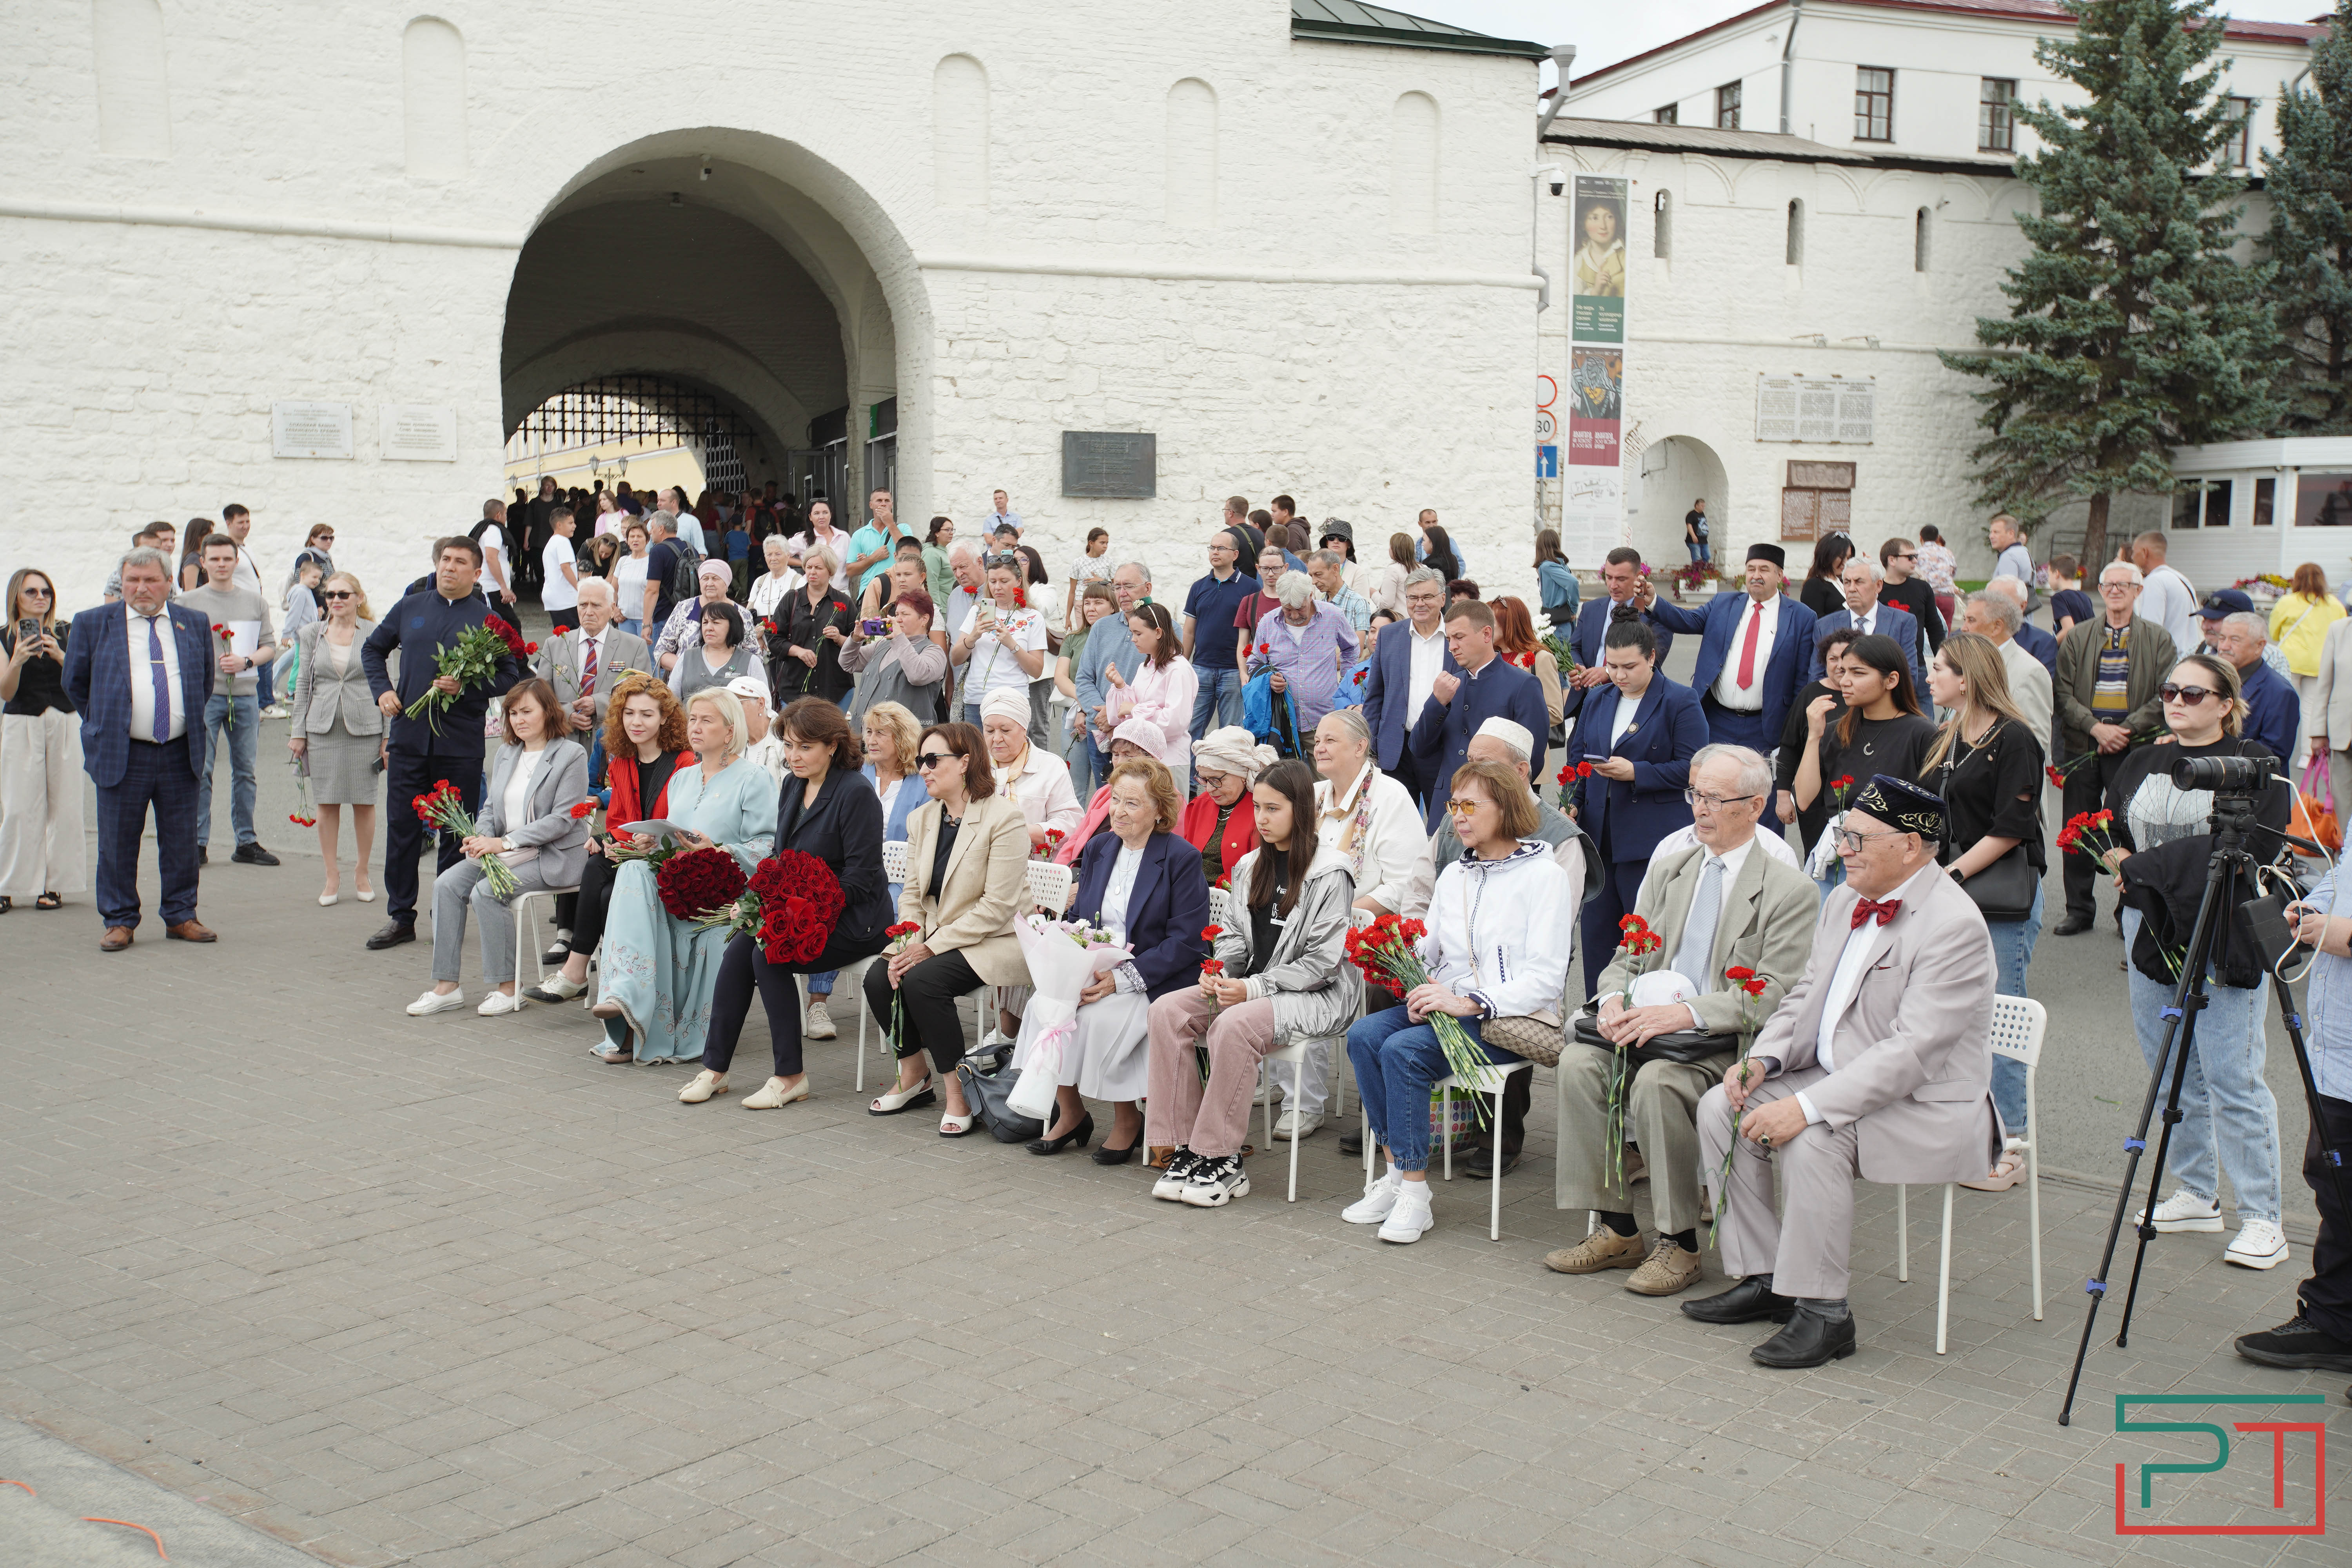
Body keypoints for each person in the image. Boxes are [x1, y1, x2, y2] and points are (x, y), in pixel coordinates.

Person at [1688, 775, 1999, 1366]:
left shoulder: (1953, 925)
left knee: (1814, 1139)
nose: (1842, 848)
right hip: (1840, 1078)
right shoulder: (1843, 899)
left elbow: (1912, 1053)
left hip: (1920, 1105)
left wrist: (1804, 1106)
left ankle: (1826, 1313)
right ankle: (1766, 1278)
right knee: (1719, 1109)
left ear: (1910, 845)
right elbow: (1807, 993)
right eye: (1843, 834)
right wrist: (1765, 1060)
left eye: (1856, 837)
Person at [1547, 744, 1816, 1296]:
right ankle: (1618, 1230)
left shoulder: (1790, 890)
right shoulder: (1672, 869)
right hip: (1651, 1027)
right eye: (1696, 794)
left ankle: (1680, 1242)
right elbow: (1627, 957)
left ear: (1757, 805)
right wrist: (1615, 998)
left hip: (1725, 1044)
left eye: (1717, 798)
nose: (1701, 808)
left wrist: (1687, 1013)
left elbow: (1773, 993)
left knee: (1658, 1082)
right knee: (1577, 1061)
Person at [2092, 653, 2296, 1269]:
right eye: (2170, 691)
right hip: (2148, 924)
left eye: (2193, 693)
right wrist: (2117, 860)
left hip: (2222, 925)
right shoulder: (2144, 758)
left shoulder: (2255, 764)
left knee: (2234, 1072)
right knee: (2169, 1064)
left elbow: (2251, 847)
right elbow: (2113, 828)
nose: (2177, 702)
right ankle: (2197, 1191)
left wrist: (2140, 868)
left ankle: (2263, 1217)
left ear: (2226, 704)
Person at [1342, 760, 1575, 1244]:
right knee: (1365, 1035)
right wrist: (1406, 968)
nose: (1458, 817)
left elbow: (1548, 978)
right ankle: (1392, 1176)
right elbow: (1432, 947)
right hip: (1449, 1010)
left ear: (1507, 807)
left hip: (1506, 1019)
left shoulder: (1544, 876)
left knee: (1402, 1052)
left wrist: (1469, 1001)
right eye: (1454, 805)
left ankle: (1415, 1192)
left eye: (1471, 805)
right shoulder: (1456, 874)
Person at [1145, 759, 1361, 1203]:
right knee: (1167, 1010)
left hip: (1316, 996)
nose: (1261, 819)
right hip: (1253, 988)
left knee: (1234, 1024)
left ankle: (1221, 1157)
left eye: (1273, 809)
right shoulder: (1248, 866)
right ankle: (1182, 1145)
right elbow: (1234, 938)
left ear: (1301, 810)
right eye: (1258, 808)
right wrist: (1221, 971)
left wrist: (1252, 989)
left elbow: (1323, 962)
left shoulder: (1330, 871)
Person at [681, 699, 891, 1109]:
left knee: (768, 954)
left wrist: (801, 908)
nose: (794, 756)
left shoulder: (856, 793)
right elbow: (781, 856)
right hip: (802, 910)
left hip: (855, 920)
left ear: (832, 745)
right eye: (789, 746)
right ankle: (716, 1068)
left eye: (804, 747)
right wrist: (757, 900)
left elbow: (862, 879)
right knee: (741, 946)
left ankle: (790, 1075)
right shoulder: (794, 784)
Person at [1409, 718, 1596, 1175]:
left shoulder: (1560, 840)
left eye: (1486, 764)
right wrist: (1410, 945)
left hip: (1516, 972)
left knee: (1509, 1010)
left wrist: (1477, 991)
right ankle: (1408, 1118)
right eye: (1469, 761)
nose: (1473, 770)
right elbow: (1423, 882)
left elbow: (1556, 925)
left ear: (1520, 771)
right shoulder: (1461, 819)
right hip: (1455, 968)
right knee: (1386, 1006)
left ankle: (1501, 1134)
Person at [1020, 755, 1211, 1162]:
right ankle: (1072, 1113)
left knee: (1101, 1019)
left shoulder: (1181, 858)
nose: (1118, 811)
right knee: (1045, 1006)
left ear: (1159, 810)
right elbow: (1080, 917)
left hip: (1155, 973)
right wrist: (1064, 955)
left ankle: (1128, 1120)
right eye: (1115, 799)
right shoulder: (1100, 847)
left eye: (1132, 803)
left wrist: (1122, 978)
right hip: (1096, 964)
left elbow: (1187, 941)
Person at [1913, 630, 2047, 1191]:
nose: (1931, 676)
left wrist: (1953, 874)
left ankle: (2008, 1146)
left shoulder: (2014, 738)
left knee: (2001, 1021)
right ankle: (1967, 1137)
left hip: (1994, 895)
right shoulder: (1949, 736)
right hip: (1951, 893)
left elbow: (2013, 828)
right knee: (1956, 1020)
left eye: (1939, 668)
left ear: (1967, 678)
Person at [589, 688, 778, 1063]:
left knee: (640, 885)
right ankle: (623, 999)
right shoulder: (683, 779)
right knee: (632, 868)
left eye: (706, 720)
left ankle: (632, 1024)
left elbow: (768, 846)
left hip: (728, 892)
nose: (695, 727)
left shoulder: (753, 778)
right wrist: (650, 844)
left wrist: (718, 849)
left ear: (729, 731)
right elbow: (673, 842)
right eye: (693, 719)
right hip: (682, 885)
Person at [862, 722, 1031, 1134]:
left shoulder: (1004, 818)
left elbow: (997, 908)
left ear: (966, 762)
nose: (924, 768)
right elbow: (914, 896)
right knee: (880, 978)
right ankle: (915, 1075)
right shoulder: (923, 818)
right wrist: (911, 943)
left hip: (998, 939)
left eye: (934, 760)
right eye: (921, 760)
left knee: (922, 981)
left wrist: (929, 948)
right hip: (940, 934)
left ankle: (958, 1092)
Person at [360, 537, 525, 951]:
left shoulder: (489, 620)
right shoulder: (411, 606)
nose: (449, 568)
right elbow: (372, 649)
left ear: (475, 573)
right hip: (409, 740)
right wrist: (382, 690)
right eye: (445, 560)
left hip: (459, 743)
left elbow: (510, 675)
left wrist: (467, 686)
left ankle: (447, 909)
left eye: (459, 563)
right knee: (402, 829)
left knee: (457, 831)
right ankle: (401, 916)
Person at [404, 679, 591, 1018]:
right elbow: (491, 808)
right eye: (513, 713)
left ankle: (509, 988)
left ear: (548, 712)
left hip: (552, 855)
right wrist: (480, 839)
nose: (519, 719)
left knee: (487, 893)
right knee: (446, 885)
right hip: (503, 850)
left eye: (527, 712)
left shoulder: (571, 754)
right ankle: (447, 987)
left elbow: (563, 820)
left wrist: (503, 842)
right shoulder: (507, 752)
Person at [63, 548, 216, 950]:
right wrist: (105, 722)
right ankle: (120, 919)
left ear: (169, 582)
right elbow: (75, 683)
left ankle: (181, 915)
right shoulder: (93, 624)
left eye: (151, 580)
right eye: (133, 580)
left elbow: (204, 682)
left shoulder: (193, 623)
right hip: (121, 752)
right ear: (122, 582)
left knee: (182, 840)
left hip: (179, 751)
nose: (141, 588)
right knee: (116, 841)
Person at [2237, 864, 2352, 1376]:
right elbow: (2341, 880)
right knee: (2334, 1181)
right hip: (2336, 1051)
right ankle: (2333, 1322)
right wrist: (2306, 909)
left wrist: (2338, 932)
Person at [523, 675, 687, 1003]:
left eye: (646, 714)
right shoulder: (622, 759)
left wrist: (652, 841)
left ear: (665, 717)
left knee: (607, 893)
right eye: (629, 713)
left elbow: (685, 824)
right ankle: (586, 974)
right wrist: (609, 839)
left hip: (671, 858)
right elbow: (619, 821)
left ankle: (588, 976)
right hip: (634, 856)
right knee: (596, 863)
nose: (636, 722)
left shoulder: (684, 762)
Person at [1567, 621, 1708, 996]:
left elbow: (1696, 767)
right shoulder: (1599, 698)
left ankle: (1647, 1007)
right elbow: (1578, 759)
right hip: (1599, 835)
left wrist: (1638, 772)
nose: (1619, 675)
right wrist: (1573, 804)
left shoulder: (1680, 700)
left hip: (1650, 838)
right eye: (1612, 666)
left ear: (1652, 658)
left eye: (1629, 667)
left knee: (1645, 934)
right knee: (1597, 934)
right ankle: (1599, 1009)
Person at [2051, 561, 2176, 936]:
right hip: (2083, 745)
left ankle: (2129, 909)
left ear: (2139, 591)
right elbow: (2062, 693)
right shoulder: (2078, 637)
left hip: (2134, 747)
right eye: (2109, 585)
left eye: (2125, 585)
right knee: (2078, 829)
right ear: (2101, 591)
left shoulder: (2158, 639)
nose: (2116, 591)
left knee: (2132, 829)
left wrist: (2125, 729)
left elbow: (2165, 694)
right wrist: (2094, 728)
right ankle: (2079, 910)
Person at [1789, 635, 1936, 894]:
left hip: (1893, 867)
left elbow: (1932, 813)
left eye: (1858, 673)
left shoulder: (1922, 733)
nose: (1844, 681)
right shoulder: (1837, 731)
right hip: (1836, 859)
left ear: (1891, 680)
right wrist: (1814, 736)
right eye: (1843, 671)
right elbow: (1803, 799)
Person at [1640, 542, 1816, 755]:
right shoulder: (1724, 603)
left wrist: (1792, 733)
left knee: (1757, 788)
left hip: (1766, 727)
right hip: (1716, 721)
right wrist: (1654, 602)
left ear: (1780, 575)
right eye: (1751, 569)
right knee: (1712, 785)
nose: (1756, 575)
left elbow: (1802, 682)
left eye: (1764, 570)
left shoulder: (1802, 617)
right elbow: (1687, 620)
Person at [179, 531, 281, 867]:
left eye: (227, 559)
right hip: (206, 698)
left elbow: (269, 645)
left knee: (246, 771)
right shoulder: (187, 603)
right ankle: (196, 843)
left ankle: (246, 841)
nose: (222, 564)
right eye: (215, 559)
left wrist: (247, 661)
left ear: (237, 562)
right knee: (202, 770)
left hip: (246, 696)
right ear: (203, 562)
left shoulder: (254, 602)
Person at [1405, 600, 1547, 833]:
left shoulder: (1523, 685)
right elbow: (1419, 748)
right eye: (1449, 639)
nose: (1452, 647)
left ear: (1486, 634)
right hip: (1447, 808)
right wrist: (1437, 703)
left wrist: (1501, 799)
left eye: (1459, 637)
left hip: (1496, 808)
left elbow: (1532, 760)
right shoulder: (1448, 686)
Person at [285, 572, 383, 906]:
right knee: (326, 803)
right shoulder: (312, 633)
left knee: (364, 801)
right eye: (330, 595)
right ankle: (331, 875)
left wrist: (388, 737)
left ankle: (361, 871)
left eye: (344, 594)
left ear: (359, 597)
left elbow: (389, 685)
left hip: (366, 726)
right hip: (322, 726)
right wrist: (298, 731)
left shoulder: (375, 634)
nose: (336, 600)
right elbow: (302, 684)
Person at [0, 567, 83, 914]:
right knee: (19, 807)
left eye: (46, 591)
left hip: (64, 720)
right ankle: (8, 883)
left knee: (64, 807)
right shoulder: (3, 637)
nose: (40, 598)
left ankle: (54, 884)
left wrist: (61, 656)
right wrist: (17, 660)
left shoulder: (67, 632)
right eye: (32, 592)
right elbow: (6, 692)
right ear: (16, 597)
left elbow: (82, 682)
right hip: (22, 722)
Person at [1359, 567, 1456, 805]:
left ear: (1443, 598)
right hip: (1396, 749)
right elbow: (1375, 697)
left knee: (1444, 825)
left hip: (1442, 747)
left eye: (1427, 597)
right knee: (1398, 828)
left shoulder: (1456, 636)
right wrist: (1371, 749)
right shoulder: (1390, 635)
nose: (1419, 604)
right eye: (1413, 598)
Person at [1773, 626, 1858, 855]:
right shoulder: (1810, 695)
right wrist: (1783, 796)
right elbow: (1790, 747)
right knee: (1818, 858)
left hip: (1856, 800)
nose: (1840, 665)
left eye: (1846, 658)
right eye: (1833, 659)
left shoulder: (1867, 699)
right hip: (1814, 800)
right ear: (1825, 661)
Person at [1248, 572, 1360, 744]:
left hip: (1324, 721)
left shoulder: (1333, 616)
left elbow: (1351, 648)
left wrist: (1346, 683)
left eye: (1300, 608)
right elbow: (1255, 663)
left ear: (1311, 596)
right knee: (1286, 771)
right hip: (1282, 724)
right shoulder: (1268, 623)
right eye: (1288, 609)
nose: (1294, 616)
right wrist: (1269, 679)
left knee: (1324, 771)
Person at [534, 578, 650, 737]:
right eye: (583, 605)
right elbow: (541, 695)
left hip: (612, 743)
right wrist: (567, 715)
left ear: (612, 609)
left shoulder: (634, 647)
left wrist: (599, 704)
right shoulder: (555, 645)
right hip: (564, 740)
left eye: (596, 605)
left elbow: (642, 695)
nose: (588, 612)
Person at [1101, 602, 1196, 792]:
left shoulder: (1179, 669)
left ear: (1158, 633)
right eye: (1132, 633)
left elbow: (1175, 723)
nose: (1133, 639)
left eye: (1138, 633)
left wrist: (1135, 710)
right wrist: (1121, 686)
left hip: (1169, 761)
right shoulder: (1146, 666)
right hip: (1143, 759)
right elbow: (1126, 713)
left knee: (1169, 818)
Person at [1071, 561, 1150, 791]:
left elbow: (1163, 688)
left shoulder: (1165, 628)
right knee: (1106, 798)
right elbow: (1084, 678)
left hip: (1139, 734)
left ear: (1148, 588)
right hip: (1101, 729)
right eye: (1117, 587)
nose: (1122, 593)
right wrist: (1103, 714)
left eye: (1129, 586)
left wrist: (1116, 715)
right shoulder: (1101, 628)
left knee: (1140, 797)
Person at [952, 555, 1047, 728]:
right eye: (993, 581)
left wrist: (1012, 645)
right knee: (977, 755)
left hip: (1012, 700)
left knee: (1010, 753)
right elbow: (956, 659)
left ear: (1019, 581)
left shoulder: (1033, 617)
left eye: (1004, 581)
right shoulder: (977, 612)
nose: (997, 587)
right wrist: (973, 637)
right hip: (976, 700)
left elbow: (1037, 671)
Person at [1806, 555, 1923, 691]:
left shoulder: (1902, 622)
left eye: (1859, 582)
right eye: (1847, 582)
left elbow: (1909, 677)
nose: (1852, 589)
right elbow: (1815, 679)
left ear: (1878, 586)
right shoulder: (1825, 626)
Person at [1181, 530, 1258, 739]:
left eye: (1221, 548)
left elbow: (1257, 632)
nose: (1215, 552)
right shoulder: (1199, 587)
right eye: (1212, 548)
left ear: (1235, 554)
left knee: (1230, 735)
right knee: (1190, 732)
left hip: (1234, 672)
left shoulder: (1251, 587)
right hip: (1201, 669)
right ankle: (1191, 774)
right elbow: (1189, 631)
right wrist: (1183, 666)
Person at [1179, 726, 1275, 888]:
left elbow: (1260, 875)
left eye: (1216, 780)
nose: (1209, 789)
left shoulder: (1261, 811)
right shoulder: (1199, 805)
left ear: (1242, 774)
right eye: (1204, 780)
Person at [1955, 590, 2054, 744]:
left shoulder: (2030, 673)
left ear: (1997, 627)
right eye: (1964, 620)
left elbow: (2036, 742)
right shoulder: (1970, 661)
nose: (1964, 628)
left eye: (1971, 620)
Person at [1568, 549, 1674, 692]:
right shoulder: (1591, 609)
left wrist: (1607, 672)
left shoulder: (1656, 614)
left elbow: (1653, 661)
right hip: (1587, 696)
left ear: (1639, 577)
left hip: (1634, 696)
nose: (1613, 586)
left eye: (1621, 579)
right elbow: (1574, 648)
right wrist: (1579, 668)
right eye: (1609, 577)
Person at [844, 588, 948, 729]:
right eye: (897, 614)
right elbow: (847, 663)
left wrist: (899, 638)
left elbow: (917, 676)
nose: (898, 619)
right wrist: (855, 639)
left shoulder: (933, 651)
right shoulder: (883, 644)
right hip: (864, 732)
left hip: (904, 738)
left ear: (925, 619)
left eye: (905, 614)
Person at [2206, 611, 2301, 764]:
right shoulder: (2208, 678)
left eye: (2235, 640)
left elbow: (2273, 755)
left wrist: (2213, 752)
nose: (2224, 647)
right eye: (2222, 638)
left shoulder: (2280, 692)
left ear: (2260, 646)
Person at [773, 548, 854, 706]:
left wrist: (840, 638)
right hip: (794, 690)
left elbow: (858, 644)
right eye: (809, 567)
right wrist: (798, 652)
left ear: (830, 572)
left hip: (834, 689)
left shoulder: (845, 602)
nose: (812, 572)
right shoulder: (791, 599)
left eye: (819, 568)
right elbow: (774, 638)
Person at [1488, 597, 1564, 764]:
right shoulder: (1491, 659)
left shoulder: (1541, 658)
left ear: (1509, 624)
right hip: (1493, 754)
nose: (1485, 629)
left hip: (1526, 755)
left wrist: (1508, 719)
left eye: (1491, 622)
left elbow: (1556, 713)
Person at [655, 559, 760, 672]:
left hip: (728, 683)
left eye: (715, 579)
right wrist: (687, 669)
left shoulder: (742, 614)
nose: (710, 584)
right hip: (686, 680)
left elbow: (754, 656)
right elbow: (662, 650)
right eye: (705, 579)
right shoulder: (685, 608)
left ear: (727, 584)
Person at [1056, 582, 1117, 773]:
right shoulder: (1073, 638)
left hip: (1108, 717)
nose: (1091, 609)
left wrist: (1088, 711)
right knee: (1074, 781)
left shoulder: (1120, 637)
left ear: (1113, 607)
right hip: (1075, 713)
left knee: (1108, 781)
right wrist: (1083, 705)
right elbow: (1061, 677)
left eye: (1098, 603)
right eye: (1087, 603)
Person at [666, 601, 758, 704]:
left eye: (716, 623)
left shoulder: (750, 661)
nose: (709, 628)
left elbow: (762, 703)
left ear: (733, 626)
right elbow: (671, 702)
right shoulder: (687, 658)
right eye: (705, 623)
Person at [2130, 530, 2200, 655]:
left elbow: (2151, 631)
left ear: (2145, 553)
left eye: (2134, 552)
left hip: (2171, 661)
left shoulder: (2154, 581)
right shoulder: (2182, 579)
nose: (2132, 557)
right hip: (2191, 656)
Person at [1876, 537, 1945, 653]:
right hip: (1883, 662)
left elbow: (1935, 628)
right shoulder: (1876, 590)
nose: (1915, 561)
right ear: (1892, 560)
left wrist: (1942, 660)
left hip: (1916, 663)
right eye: (1910, 557)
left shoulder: (1923, 588)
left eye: (1916, 556)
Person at [1984, 577, 2058, 672]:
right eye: (1989, 601)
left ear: (2022, 606)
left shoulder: (2041, 643)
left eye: (2003, 602)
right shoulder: (1967, 635)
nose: (1994, 608)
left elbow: (2041, 683)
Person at [537, 505, 582, 631]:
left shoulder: (552, 542)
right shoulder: (563, 541)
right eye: (571, 523)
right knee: (572, 635)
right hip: (565, 598)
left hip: (555, 597)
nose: (575, 526)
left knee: (564, 635)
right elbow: (566, 568)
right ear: (559, 525)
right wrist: (580, 588)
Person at [1307, 550, 1372, 637]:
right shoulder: (1320, 605)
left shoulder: (1358, 604)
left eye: (1319, 575)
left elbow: (1357, 649)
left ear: (1336, 569)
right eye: (1311, 576)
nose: (1314, 582)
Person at [746, 534, 803, 627]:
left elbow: (801, 617)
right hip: (759, 638)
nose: (773, 558)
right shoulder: (760, 582)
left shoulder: (798, 582)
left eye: (778, 554)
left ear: (788, 556)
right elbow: (748, 614)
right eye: (769, 555)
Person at [1064, 524, 1112, 627]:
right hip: (1082, 605)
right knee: (1085, 636)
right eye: (1102, 543)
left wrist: (1101, 580)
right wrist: (1068, 617)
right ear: (1091, 543)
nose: (1105, 546)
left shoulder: (1109, 562)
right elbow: (1072, 592)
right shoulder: (1078, 563)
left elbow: (1117, 586)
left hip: (1102, 605)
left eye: (1107, 543)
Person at [1797, 534, 1853, 621]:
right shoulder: (1814, 585)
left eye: (1849, 558)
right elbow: (1817, 623)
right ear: (1827, 555)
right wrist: (1848, 605)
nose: (1845, 562)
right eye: (1841, 557)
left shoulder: (1842, 581)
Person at [474, 498, 517, 610]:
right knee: (512, 625)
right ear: (499, 515)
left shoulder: (483, 529)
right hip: (492, 589)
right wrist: (503, 587)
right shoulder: (494, 530)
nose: (506, 517)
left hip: (490, 587)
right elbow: (491, 558)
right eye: (506, 514)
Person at [611, 519, 652, 636]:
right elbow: (614, 589)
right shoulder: (623, 561)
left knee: (646, 654)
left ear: (647, 540)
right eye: (632, 536)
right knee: (627, 654)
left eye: (639, 536)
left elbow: (655, 592)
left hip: (645, 621)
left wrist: (651, 620)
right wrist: (615, 609)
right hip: (625, 619)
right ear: (627, 541)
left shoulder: (653, 562)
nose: (635, 540)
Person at [1915, 524, 1960, 626]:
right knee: (1946, 628)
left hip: (1927, 597)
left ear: (1921, 538)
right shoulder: (1948, 552)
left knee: (1927, 629)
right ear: (1938, 538)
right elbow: (1953, 573)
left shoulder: (1918, 553)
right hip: (1947, 597)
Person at [1534, 529, 1579, 628]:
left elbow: (1573, 583)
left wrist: (1573, 610)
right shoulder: (1562, 566)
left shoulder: (1547, 567)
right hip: (1563, 623)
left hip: (1557, 625)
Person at [2046, 554, 2094, 638]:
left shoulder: (2059, 598)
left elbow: (2068, 628)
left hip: (2068, 649)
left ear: (2057, 574)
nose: (2048, 579)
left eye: (2049, 575)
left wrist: (2051, 646)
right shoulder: (2085, 597)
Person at [1987, 514, 2033, 587]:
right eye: (1991, 532)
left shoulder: (2009, 556)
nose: (1991, 536)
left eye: (1996, 532)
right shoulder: (2023, 551)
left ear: (2011, 534)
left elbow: (2007, 592)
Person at [1684, 499, 1710, 568]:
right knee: (1697, 558)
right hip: (1694, 541)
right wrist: (1693, 536)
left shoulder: (1702, 514)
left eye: (1704, 506)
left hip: (1704, 541)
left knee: (1707, 556)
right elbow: (1689, 526)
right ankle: (1696, 573)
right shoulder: (1691, 515)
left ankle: (1701, 569)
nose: (1703, 508)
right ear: (1697, 506)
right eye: (1702, 506)